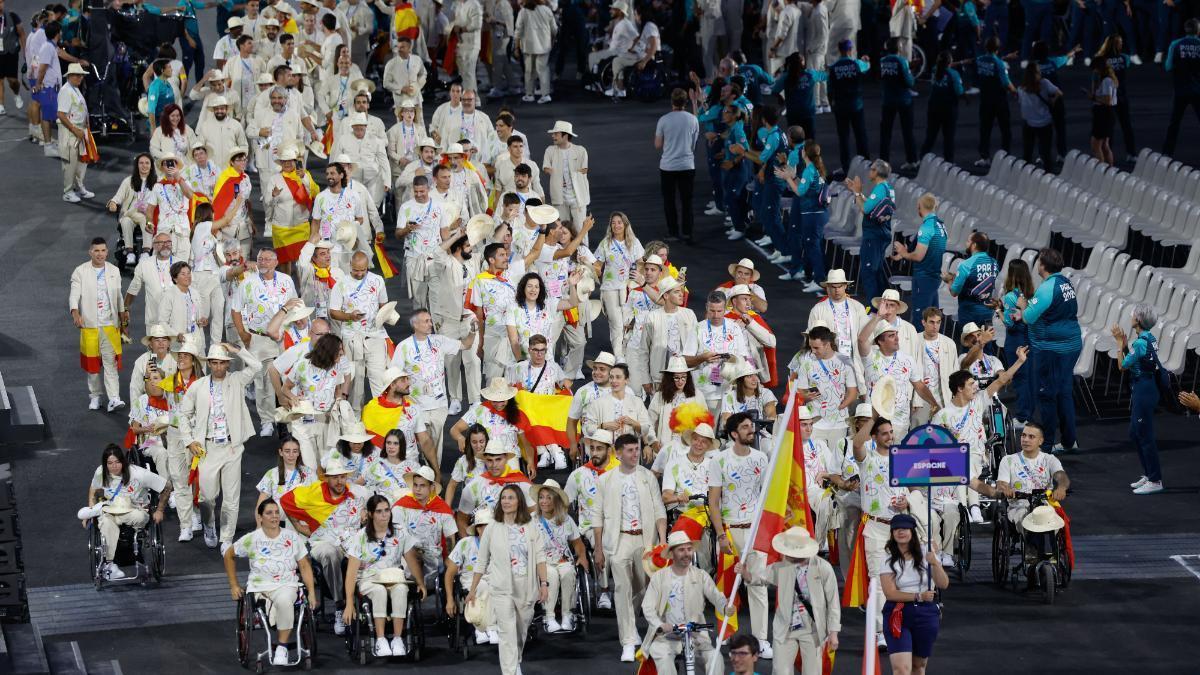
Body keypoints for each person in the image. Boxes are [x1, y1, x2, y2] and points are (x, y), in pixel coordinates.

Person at [179, 343, 263, 551]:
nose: (218, 367)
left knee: (232, 498)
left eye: (222, 363)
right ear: (209, 364)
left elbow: (257, 366)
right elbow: (183, 414)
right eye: (214, 363)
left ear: (228, 364)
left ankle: (227, 537)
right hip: (207, 448)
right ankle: (209, 525)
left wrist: (237, 350)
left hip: (232, 446)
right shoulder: (198, 386)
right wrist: (189, 440)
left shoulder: (237, 380)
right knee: (206, 496)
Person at [594, 433, 668, 661]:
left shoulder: (648, 477)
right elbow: (597, 516)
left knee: (642, 589)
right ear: (617, 453)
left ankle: (631, 622)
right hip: (619, 541)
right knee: (622, 589)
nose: (635, 454)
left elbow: (659, 509)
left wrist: (662, 540)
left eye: (637, 449)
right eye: (630, 450)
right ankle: (627, 641)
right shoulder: (605, 480)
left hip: (646, 540)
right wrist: (598, 548)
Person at [934, 353, 1028, 523]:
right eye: (971, 384)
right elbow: (935, 446)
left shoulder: (978, 402)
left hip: (976, 456)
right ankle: (971, 507)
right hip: (953, 462)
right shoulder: (943, 415)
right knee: (959, 462)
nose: (975, 387)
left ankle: (969, 507)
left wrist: (1020, 361)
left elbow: (1001, 380)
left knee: (966, 462)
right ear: (960, 389)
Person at [223, 499, 318, 667]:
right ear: (260, 517)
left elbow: (304, 565)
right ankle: (281, 638)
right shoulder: (252, 539)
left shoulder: (292, 537)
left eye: (276, 512)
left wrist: (311, 592)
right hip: (260, 588)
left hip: (287, 585)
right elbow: (228, 555)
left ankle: (282, 647)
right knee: (281, 601)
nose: (274, 516)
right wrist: (234, 585)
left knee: (284, 599)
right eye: (269, 513)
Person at [706, 413, 772, 656]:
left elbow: (766, 495)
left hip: (755, 531)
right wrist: (721, 535)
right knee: (725, 585)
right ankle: (726, 631)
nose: (751, 430)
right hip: (730, 531)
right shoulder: (719, 460)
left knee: (758, 585)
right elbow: (713, 502)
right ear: (734, 433)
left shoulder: (761, 458)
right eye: (745, 427)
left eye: (751, 426)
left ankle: (761, 640)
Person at [466, 484, 549, 675]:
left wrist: (544, 584)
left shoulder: (530, 526)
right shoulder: (492, 528)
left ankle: (515, 660)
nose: (506, 501)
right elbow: (481, 561)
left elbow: (540, 557)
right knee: (507, 631)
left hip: (526, 585)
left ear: (519, 501)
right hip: (501, 586)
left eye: (510, 498)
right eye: (503, 498)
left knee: (520, 630)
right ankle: (510, 671)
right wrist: (472, 590)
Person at [739, 527, 840, 675]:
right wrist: (745, 573)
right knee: (780, 671)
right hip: (784, 629)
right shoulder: (781, 566)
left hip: (813, 629)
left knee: (812, 672)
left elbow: (833, 602)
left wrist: (833, 632)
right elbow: (759, 579)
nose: (787, 555)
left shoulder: (823, 568)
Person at [343, 493, 427, 658]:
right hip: (369, 579)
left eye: (387, 510)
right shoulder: (360, 537)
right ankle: (381, 640)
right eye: (379, 511)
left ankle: (397, 639)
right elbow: (351, 572)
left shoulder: (399, 532)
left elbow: (411, 560)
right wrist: (349, 603)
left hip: (393, 576)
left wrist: (421, 583)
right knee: (379, 591)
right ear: (370, 514)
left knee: (401, 589)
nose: (384, 514)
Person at [639, 532, 730, 675]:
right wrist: (659, 625)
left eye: (689, 549)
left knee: (715, 657)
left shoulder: (701, 575)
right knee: (663, 659)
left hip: (695, 636)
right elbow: (647, 607)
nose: (686, 554)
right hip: (666, 638)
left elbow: (716, 596)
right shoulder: (659, 577)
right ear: (672, 553)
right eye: (681, 550)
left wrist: (725, 606)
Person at [1019, 248, 1082, 454]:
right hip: (1071, 345)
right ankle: (1069, 441)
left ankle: (1045, 447)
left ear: (1043, 265)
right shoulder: (1066, 283)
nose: (1037, 265)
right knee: (1064, 392)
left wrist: (1023, 305)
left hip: (1053, 350)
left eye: (1039, 262)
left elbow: (1028, 317)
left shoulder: (1047, 288)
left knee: (1046, 395)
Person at [232, 248, 299, 436]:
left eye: (267, 259)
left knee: (287, 376)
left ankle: (290, 415)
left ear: (276, 262)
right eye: (260, 259)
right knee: (262, 380)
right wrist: (242, 333)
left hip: (284, 335)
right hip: (260, 337)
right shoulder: (247, 283)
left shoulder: (286, 280)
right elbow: (235, 310)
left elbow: (295, 303)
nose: (263, 263)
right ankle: (267, 420)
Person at [83, 445, 170, 580]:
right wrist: (90, 511)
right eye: (110, 463)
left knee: (139, 516)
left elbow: (167, 486)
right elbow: (93, 489)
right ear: (105, 464)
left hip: (135, 510)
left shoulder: (139, 474)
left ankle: (134, 550)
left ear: (123, 461)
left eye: (117, 462)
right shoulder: (101, 472)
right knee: (105, 522)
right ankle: (109, 565)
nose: (114, 466)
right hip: (111, 510)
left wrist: (159, 510)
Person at [880, 514, 950, 671]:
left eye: (905, 528)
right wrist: (918, 596)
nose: (900, 532)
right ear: (892, 533)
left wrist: (935, 563)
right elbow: (890, 593)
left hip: (926, 613)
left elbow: (943, 584)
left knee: (918, 666)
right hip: (897, 612)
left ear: (912, 531)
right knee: (901, 668)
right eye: (896, 529)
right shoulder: (887, 558)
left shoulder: (927, 552)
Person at [1112, 304, 1165, 494]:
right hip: (1145, 387)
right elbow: (1135, 361)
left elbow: (1122, 366)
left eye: (1134, 314)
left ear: (1139, 320)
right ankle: (1148, 474)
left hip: (1144, 389)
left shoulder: (1141, 343)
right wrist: (1126, 346)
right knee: (1135, 432)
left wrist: (1119, 344)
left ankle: (1155, 480)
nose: (1131, 315)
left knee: (1144, 435)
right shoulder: (1148, 338)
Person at [70, 237, 127, 412]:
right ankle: (95, 396)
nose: (100, 254)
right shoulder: (80, 271)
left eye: (103, 250)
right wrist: (75, 312)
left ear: (107, 252)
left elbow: (118, 296)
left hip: (110, 325)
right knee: (92, 365)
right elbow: (74, 295)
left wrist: (123, 319)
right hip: (90, 326)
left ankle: (114, 398)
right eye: (96, 251)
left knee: (111, 362)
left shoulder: (114, 271)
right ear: (90, 252)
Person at [533, 480, 587, 632]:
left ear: (556, 500)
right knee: (551, 575)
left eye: (548, 497)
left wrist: (582, 556)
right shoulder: (532, 520)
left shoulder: (566, 519)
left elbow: (578, 543)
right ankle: (549, 617)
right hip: (542, 562)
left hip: (563, 559)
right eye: (541, 497)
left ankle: (567, 615)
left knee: (568, 572)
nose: (544, 501)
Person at [788, 324, 859, 440]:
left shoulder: (845, 361)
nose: (813, 351)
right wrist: (806, 396)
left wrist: (841, 406)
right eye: (811, 347)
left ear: (827, 344)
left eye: (816, 348)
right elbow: (800, 390)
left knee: (836, 452)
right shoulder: (807, 363)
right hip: (815, 422)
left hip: (839, 423)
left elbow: (853, 391)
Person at [994, 422, 1070, 526]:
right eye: (1023, 435)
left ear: (1040, 441)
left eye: (1031, 437)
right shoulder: (1008, 460)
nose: (1025, 439)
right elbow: (1002, 483)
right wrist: (1005, 488)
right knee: (1026, 522)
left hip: (1045, 506)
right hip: (1019, 507)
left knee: (1056, 524)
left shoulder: (1049, 459)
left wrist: (1061, 488)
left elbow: (1061, 476)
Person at [776, 142, 828, 288]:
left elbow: (799, 192)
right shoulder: (813, 168)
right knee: (812, 245)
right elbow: (804, 187)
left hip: (813, 214)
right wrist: (792, 177)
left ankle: (819, 280)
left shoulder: (809, 170)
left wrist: (787, 178)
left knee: (813, 246)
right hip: (816, 214)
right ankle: (816, 277)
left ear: (805, 153)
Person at [845, 160, 894, 306]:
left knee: (869, 272)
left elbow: (865, 209)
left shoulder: (880, 189)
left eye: (871, 169)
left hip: (874, 236)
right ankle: (884, 306)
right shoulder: (888, 187)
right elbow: (871, 206)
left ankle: (873, 308)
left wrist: (857, 192)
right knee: (877, 272)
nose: (869, 171)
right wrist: (858, 193)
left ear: (876, 172)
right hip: (881, 234)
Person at [892, 193, 947, 322]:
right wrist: (906, 252)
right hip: (934, 277)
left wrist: (904, 253)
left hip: (924, 278)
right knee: (932, 318)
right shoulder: (941, 226)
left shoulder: (927, 227)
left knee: (921, 318)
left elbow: (918, 256)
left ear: (919, 207)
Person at [656, 89, 699, 243]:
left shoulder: (664, 120)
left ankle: (673, 232)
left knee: (669, 201)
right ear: (685, 102)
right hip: (687, 165)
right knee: (687, 201)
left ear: (672, 101)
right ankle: (687, 232)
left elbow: (658, 144)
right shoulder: (693, 119)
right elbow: (693, 145)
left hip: (668, 166)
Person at [998, 259, 1036, 422]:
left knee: (1020, 378)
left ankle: (1022, 418)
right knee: (1028, 378)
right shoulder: (1033, 295)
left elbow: (1009, 324)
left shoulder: (1010, 297)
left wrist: (999, 311)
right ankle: (1028, 414)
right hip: (1029, 339)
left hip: (1015, 341)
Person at [827, 39, 870, 172]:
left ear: (839, 50)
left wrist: (831, 104)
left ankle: (846, 167)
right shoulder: (857, 64)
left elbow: (829, 89)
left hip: (840, 106)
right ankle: (865, 164)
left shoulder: (834, 67)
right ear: (850, 50)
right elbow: (867, 66)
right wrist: (866, 60)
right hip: (856, 105)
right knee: (860, 135)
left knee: (844, 138)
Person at [973, 37, 1016, 169]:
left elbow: (989, 62)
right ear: (998, 49)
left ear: (985, 47)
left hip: (985, 99)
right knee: (1005, 129)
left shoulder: (980, 60)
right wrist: (1016, 92)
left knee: (985, 129)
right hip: (999, 100)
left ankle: (984, 157)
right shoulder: (999, 64)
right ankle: (1006, 157)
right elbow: (1006, 83)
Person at [807, 269, 867, 361]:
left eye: (840, 286)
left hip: (854, 358)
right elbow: (811, 337)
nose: (837, 290)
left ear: (845, 286)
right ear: (827, 287)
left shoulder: (858, 307)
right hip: (827, 360)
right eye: (833, 287)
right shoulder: (817, 309)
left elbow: (866, 336)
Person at [945, 231, 998, 331]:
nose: (966, 243)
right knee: (985, 339)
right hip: (987, 313)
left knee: (969, 341)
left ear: (974, 245)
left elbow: (954, 292)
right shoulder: (994, 263)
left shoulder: (966, 265)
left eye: (968, 241)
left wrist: (949, 280)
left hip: (969, 313)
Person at [878, 37, 917, 171]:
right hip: (904, 100)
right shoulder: (902, 61)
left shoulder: (882, 62)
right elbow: (909, 82)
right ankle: (912, 160)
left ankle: (883, 162)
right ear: (899, 48)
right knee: (907, 131)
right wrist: (911, 73)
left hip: (888, 100)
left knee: (885, 133)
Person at [1163, 19, 1200, 155]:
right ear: (1198, 31)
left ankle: (1167, 154)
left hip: (1180, 91)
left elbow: (1168, 66)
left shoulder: (1175, 44)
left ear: (1186, 30)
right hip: (1198, 91)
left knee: (1174, 124)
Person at [56, 62, 91, 203]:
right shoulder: (66, 91)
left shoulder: (75, 89)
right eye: (77, 75)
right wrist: (74, 129)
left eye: (81, 75)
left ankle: (79, 187)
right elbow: (61, 114)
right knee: (70, 163)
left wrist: (86, 125)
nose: (80, 78)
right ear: (69, 76)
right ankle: (68, 191)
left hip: (80, 131)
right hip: (70, 132)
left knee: (81, 162)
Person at [920, 51, 963, 163]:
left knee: (930, 136)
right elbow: (959, 91)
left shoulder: (935, 70)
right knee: (949, 137)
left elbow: (942, 66)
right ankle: (949, 161)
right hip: (949, 109)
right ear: (950, 62)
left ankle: (922, 158)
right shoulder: (954, 74)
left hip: (933, 107)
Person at [255, 436, 317, 509]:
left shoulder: (309, 473)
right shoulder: (271, 474)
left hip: (303, 514)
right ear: (281, 452)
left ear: (298, 453)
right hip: (279, 515)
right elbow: (259, 507)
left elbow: (317, 499)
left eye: (295, 451)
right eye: (287, 451)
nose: (291, 455)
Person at [514, 0, 556, 103]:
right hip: (544, 45)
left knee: (529, 71)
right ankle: (545, 94)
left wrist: (516, 47)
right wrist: (552, 40)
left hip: (528, 46)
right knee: (543, 70)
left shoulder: (523, 12)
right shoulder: (547, 10)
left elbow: (518, 31)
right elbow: (554, 29)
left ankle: (529, 94)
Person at [1088, 58, 1118, 165]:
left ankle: (1102, 171)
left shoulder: (1106, 81)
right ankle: (1109, 170)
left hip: (1104, 114)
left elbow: (1107, 101)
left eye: (1094, 69)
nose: (1093, 72)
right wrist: (1093, 82)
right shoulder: (1104, 80)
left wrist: (1093, 98)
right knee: (1105, 145)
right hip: (1105, 113)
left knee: (1096, 146)